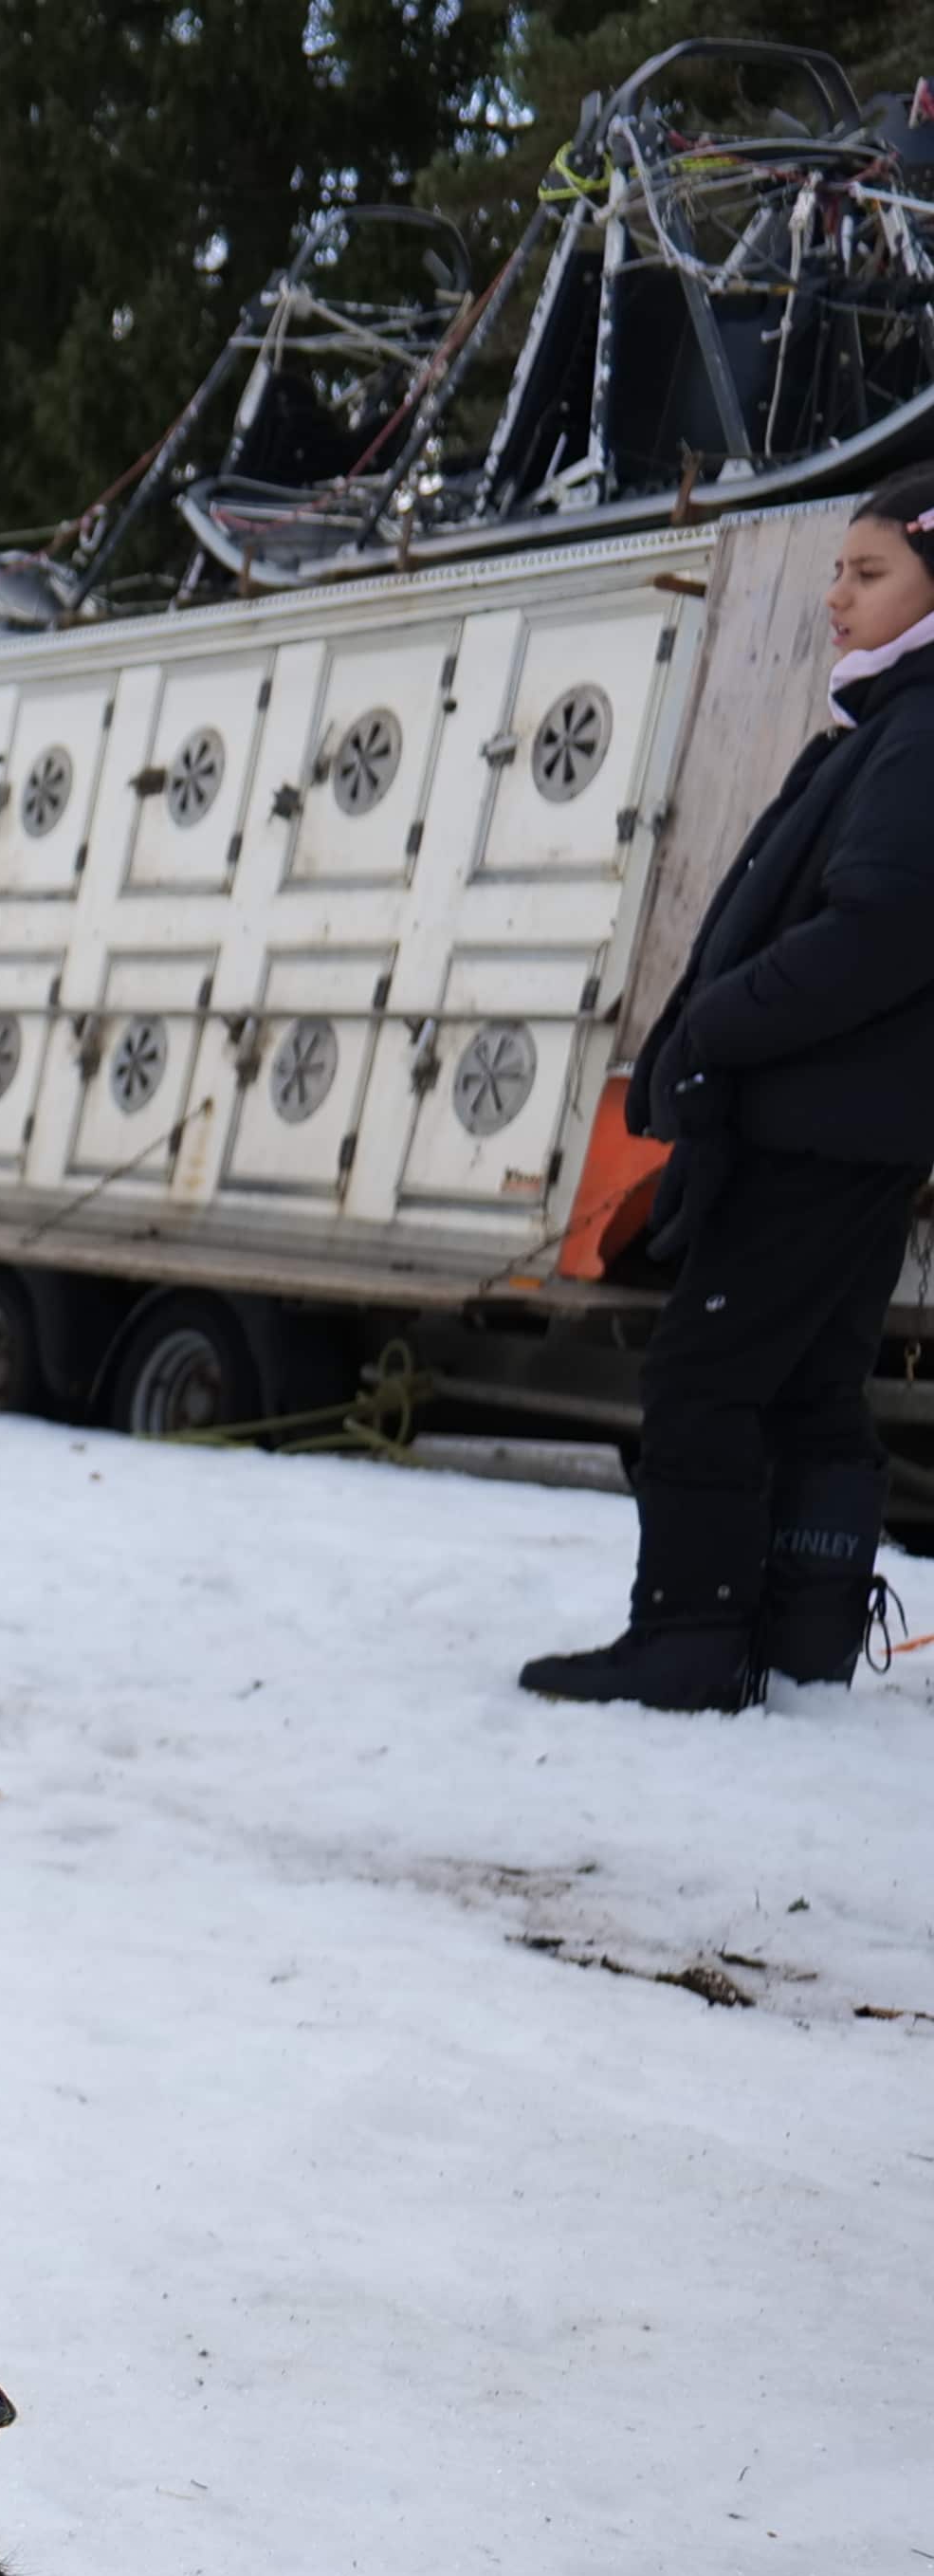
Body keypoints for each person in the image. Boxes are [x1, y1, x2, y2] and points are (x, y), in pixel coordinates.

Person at [523, 477, 934, 1710]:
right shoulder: (890, 726)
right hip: (853, 1130)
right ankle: (798, 1647)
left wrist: (714, 1020)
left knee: (703, 1377)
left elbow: (878, 935)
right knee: (809, 1386)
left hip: (814, 1126)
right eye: (836, 573)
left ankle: (686, 1642)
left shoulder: (920, 734)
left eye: (869, 575)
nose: (837, 599)